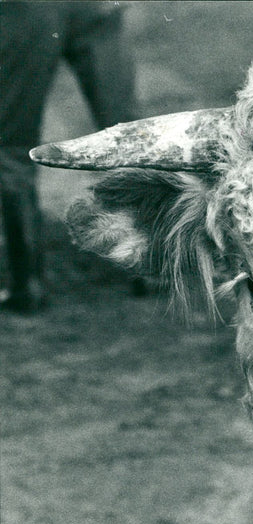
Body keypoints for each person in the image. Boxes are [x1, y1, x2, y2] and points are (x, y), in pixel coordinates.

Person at [0, 2, 139, 312]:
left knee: (10, 148)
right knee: (128, 135)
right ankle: (153, 268)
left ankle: (27, 286)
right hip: (96, 6)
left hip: (26, 11)